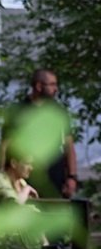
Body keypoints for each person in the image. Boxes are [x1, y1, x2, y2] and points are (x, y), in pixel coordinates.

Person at [6, 68, 78, 200]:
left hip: (55, 173)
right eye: (52, 84)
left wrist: (71, 177)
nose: (55, 89)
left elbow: (69, 145)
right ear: (39, 86)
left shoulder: (58, 111)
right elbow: (7, 144)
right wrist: (5, 174)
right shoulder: (19, 110)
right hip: (27, 172)